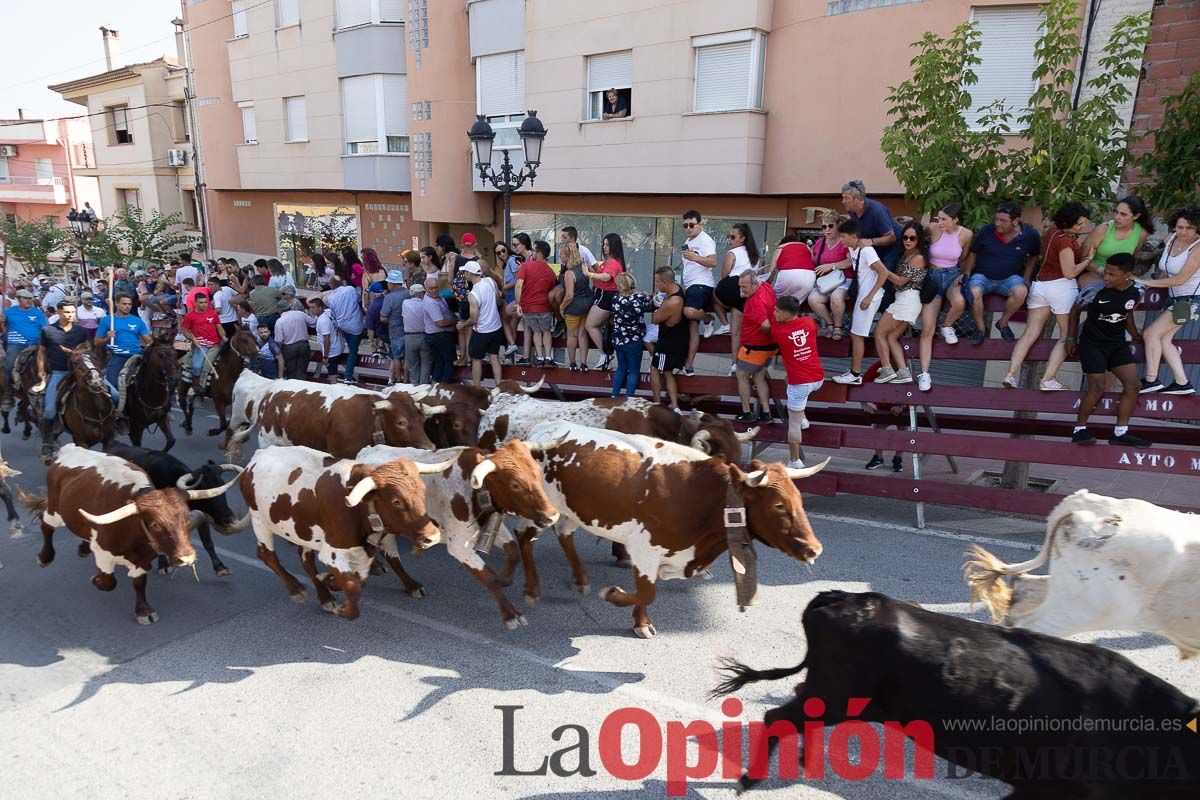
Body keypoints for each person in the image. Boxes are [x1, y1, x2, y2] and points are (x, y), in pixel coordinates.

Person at [1002, 203, 1092, 392]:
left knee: (1029, 334)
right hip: (1061, 288)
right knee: (1065, 335)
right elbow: (1069, 272)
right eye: (1079, 224)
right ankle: (1048, 378)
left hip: (1040, 286)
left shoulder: (1052, 231)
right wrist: (1087, 260)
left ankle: (1010, 374)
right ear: (1068, 222)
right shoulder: (1066, 241)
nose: (1082, 227)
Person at [1067, 253, 1148, 447]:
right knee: (1097, 386)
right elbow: (1075, 311)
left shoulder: (1137, 291)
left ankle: (1120, 433)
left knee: (1133, 385)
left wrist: (1136, 334)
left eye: (1112, 274)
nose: (1106, 278)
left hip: (1117, 344)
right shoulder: (1095, 291)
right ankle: (1079, 430)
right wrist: (1070, 338)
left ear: (1128, 275)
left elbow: (1127, 315)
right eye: (1106, 272)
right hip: (1092, 344)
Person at [1135, 205, 1200, 395]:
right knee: (1164, 339)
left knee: (1150, 334)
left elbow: (1181, 279)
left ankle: (1151, 379)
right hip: (1175, 298)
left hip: (1191, 301)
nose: (1183, 231)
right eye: (1180, 227)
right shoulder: (1170, 239)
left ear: (1197, 228)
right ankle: (1182, 382)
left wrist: (1145, 282)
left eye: (1189, 228)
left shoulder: (1198, 248)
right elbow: (1165, 267)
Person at [959, 201, 1041, 344]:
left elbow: (1034, 256)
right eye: (996, 219)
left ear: (1016, 221)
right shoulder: (987, 230)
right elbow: (973, 252)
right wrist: (966, 272)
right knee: (974, 291)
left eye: (1003, 221)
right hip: (983, 276)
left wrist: (1027, 277)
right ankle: (980, 328)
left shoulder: (1030, 234)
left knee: (1021, 291)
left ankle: (1002, 323)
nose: (998, 223)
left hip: (1010, 278)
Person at [916, 203, 974, 390]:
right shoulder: (933, 229)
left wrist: (964, 275)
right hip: (932, 277)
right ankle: (925, 373)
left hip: (951, 275)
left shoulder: (966, 234)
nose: (939, 222)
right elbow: (914, 237)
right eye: (938, 218)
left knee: (959, 302)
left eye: (943, 219)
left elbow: (964, 257)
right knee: (927, 329)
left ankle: (947, 325)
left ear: (955, 220)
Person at [832, 219, 890, 384]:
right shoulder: (853, 249)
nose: (841, 240)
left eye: (843, 236)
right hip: (862, 296)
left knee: (857, 335)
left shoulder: (867, 251)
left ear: (854, 236)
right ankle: (854, 372)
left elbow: (884, 273)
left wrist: (869, 296)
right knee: (855, 334)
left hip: (869, 298)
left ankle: (855, 374)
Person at [769, 295, 823, 468]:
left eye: (777, 311)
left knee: (793, 425)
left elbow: (768, 327)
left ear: (786, 314)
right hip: (818, 378)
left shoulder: (778, 331)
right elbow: (816, 331)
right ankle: (804, 419)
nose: (774, 313)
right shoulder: (808, 322)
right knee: (787, 379)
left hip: (800, 383)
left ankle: (795, 461)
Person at [872, 221, 929, 385]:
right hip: (905, 300)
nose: (908, 241)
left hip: (907, 299)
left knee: (879, 333)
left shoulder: (917, 257)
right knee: (891, 337)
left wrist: (882, 269)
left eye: (912, 238)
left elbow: (901, 281)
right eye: (905, 237)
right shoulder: (907, 254)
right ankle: (904, 372)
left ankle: (887, 369)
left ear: (919, 239)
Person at [34, 298, 91, 458]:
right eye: (67, 312)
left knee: (112, 394)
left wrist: (82, 351)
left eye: (73, 312)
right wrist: (41, 370)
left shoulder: (81, 331)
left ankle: (115, 423)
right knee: (50, 409)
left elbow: (88, 348)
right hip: (60, 372)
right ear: (59, 312)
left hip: (81, 371)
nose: (70, 315)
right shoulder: (48, 331)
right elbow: (42, 351)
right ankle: (47, 442)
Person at [714, 223, 762, 376]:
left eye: (733, 237)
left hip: (734, 285)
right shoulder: (755, 255)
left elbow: (724, 274)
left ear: (742, 238)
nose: (730, 240)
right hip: (748, 292)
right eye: (729, 237)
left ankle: (723, 323)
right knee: (738, 332)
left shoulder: (733, 252)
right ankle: (738, 364)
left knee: (713, 294)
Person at [733, 270, 778, 424]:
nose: (741, 290)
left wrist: (769, 333)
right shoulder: (766, 287)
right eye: (740, 286)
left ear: (754, 284)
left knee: (741, 375)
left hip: (755, 346)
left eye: (744, 287)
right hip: (770, 347)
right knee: (759, 377)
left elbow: (765, 325)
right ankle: (766, 413)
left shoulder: (755, 301)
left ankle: (747, 412)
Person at [1081, 195, 1153, 289]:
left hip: (1119, 277)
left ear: (1136, 216)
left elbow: (1132, 259)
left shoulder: (1141, 233)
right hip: (1094, 272)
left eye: (1123, 214)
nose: (1116, 217)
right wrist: (1102, 271)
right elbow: (1083, 258)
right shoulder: (1103, 229)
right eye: (1116, 212)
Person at [679, 210, 718, 375]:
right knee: (692, 326)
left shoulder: (705, 240)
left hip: (701, 284)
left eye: (691, 225)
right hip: (690, 285)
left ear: (699, 224)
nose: (688, 228)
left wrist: (695, 258)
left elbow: (713, 261)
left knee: (689, 312)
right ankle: (689, 365)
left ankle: (709, 319)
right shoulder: (689, 240)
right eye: (685, 225)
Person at [95, 293, 151, 404]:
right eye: (124, 304)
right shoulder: (107, 320)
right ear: (116, 304)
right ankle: (115, 412)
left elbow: (148, 339)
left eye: (129, 304)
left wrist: (155, 343)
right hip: (117, 356)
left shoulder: (137, 321)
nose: (127, 306)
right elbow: (96, 341)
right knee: (112, 388)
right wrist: (107, 338)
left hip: (136, 355)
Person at [806, 211, 853, 340]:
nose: (827, 229)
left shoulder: (844, 241)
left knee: (836, 297)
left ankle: (838, 326)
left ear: (837, 225)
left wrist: (832, 266)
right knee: (813, 299)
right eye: (824, 226)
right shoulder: (819, 243)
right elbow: (812, 261)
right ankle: (829, 323)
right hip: (825, 282)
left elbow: (850, 262)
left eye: (830, 226)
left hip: (843, 280)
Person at [457, 261, 504, 386]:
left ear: (469, 273)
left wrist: (462, 325)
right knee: (495, 357)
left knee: (476, 360)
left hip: (482, 331)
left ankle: (476, 388)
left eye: (464, 272)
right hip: (496, 327)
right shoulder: (490, 281)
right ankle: (499, 386)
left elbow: (474, 319)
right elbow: (499, 302)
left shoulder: (473, 294)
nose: (464, 275)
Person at [2, 288, 48, 414]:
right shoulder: (9, 312)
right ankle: (8, 395)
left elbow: (45, 328)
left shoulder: (38, 313)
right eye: (25, 298)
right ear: (18, 299)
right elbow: (2, 328)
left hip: (36, 343)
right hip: (16, 344)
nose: (28, 301)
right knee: (8, 365)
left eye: (30, 298)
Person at [649, 266, 688, 412]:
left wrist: (659, 308)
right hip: (678, 338)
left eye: (658, 282)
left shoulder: (672, 302)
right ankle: (675, 405)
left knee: (655, 368)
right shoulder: (680, 289)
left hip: (669, 342)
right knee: (667, 371)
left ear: (665, 282)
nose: (657, 285)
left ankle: (658, 404)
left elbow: (655, 319)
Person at [584, 233, 625, 371]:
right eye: (604, 244)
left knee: (590, 325)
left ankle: (605, 353)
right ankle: (606, 353)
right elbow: (600, 273)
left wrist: (589, 274)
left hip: (606, 296)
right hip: (603, 295)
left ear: (614, 246)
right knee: (598, 326)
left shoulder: (613, 262)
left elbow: (606, 277)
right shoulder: (609, 262)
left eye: (607, 244)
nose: (604, 247)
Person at [607, 273, 652, 398]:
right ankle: (629, 398)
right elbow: (649, 303)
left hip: (618, 339)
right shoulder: (638, 299)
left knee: (621, 368)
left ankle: (614, 396)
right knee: (633, 371)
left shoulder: (616, 299)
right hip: (634, 340)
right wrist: (646, 295)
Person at [515, 240, 557, 367]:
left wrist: (518, 304)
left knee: (537, 332)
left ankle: (539, 357)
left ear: (539, 253)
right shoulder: (550, 272)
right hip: (544, 307)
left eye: (533, 250)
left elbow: (518, 285)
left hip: (528, 307)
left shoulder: (526, 267)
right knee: (546, 331)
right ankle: (548, 358)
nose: (531, 252)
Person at [860, 360, 907, 472]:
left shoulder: (906, 367)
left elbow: (913, 390)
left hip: (902, 408)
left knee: (903, 428)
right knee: (878, 428)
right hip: (883, 406)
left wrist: (901, 406)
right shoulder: (878, 366)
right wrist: (863, 403)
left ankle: (898, 458)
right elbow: (863, 382)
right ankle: (878, 457)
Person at [841, 179, 897, 266]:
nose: (843, 201)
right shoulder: (851, 210)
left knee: (886, 270)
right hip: (873, 247)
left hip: (892, 245)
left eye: (846, 198)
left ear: (858, 199)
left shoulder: (877, 211)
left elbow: (891, 237)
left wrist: (871, 241)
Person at [558, 242, 594, 371]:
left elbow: (569, 295)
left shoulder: (569, 273)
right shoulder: (584, 266)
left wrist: (561, 307)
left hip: (573, 308)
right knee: (583, 335)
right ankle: (584, 363)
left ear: (567, 256)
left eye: (561, 255)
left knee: (572, 336)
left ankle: (572, 363)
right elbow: (595, 274)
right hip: (587, 304)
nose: (560, 258)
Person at [181, 292, 226, 393]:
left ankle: (205, 387)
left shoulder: (213, 313)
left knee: (207, 365)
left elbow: (219, 327)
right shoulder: (190, 316)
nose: (204, 304)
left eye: (206, 302)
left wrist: (223, 336)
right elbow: (185, 331)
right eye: (201, 302)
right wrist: (193, 339)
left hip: (214, 344)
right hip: (200, 344)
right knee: (197, 366)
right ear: (195, 303)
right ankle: (196, 386)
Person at [326, 275, 365, 384]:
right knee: (353, 351)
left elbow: (333, 311)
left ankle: (348, 372)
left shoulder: (330, 298)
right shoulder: (350, 290)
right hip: (356, 325)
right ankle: (348, 376)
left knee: (351, 348)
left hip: (343, 325)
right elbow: (358, 300)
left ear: (331, 285)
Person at [423, 274, 458, 383]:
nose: (434, 290)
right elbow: (440, 323)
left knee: (440, 361)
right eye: (431, 288)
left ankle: (437, 384)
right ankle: (443, 386)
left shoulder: (438, 297)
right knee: (449, 361)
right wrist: (455, 321)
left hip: (436, 335)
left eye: (436, 287)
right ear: (426, 289)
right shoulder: (431, 302)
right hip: (439, 335)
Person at [378, 272, 410, 385]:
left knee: (396, 357)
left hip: (395, 331)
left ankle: (398, 380)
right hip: (409, 330)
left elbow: (383, 317)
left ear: (392, 283)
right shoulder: (408, 293)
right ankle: (406, 380)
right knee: (407, 357)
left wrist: (390, 321)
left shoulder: (389, 297)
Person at [769, 234, 817, 306]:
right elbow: (813, 262)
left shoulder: (780, 248)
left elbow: (771, 272)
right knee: (794, 305)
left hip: (788, 275)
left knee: (777, 301)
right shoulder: (807, 247)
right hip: (809, 278)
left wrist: (766, 286)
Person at [274, 302, 314, 381]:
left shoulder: (280, 321)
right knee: (302, 371)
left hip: (289, 348)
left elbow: (279, 340)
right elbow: (313, 323)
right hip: (304, 346)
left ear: (279, 310)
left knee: (291, 372)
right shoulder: (300, 314)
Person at [308, 296, 343, 383]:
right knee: (333, 370)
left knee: (332, 374)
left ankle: (334, 387)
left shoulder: (322, 321)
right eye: (310, 307)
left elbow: (326, 339)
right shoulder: (328, 312)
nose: (311, 310)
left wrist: (325, 357)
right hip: (337, 345)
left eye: (313, 307)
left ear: (320, 308)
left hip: (331, 352)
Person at [402, 283, 428, 384]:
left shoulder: (405, 303)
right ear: (421, 293)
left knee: (413, 365)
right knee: (426, 363)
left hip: (409, 336)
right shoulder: (425, 303)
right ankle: (424, 385)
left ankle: (414, 385)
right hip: (424, 335)